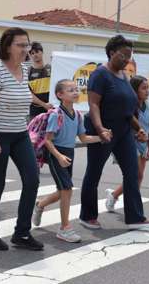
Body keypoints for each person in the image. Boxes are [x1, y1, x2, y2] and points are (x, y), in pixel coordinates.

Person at [79, 35, 149, 229]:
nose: (127, 60)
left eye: (129, 56)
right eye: (123, 55)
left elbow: (127, 110)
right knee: (93, 173)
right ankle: (87, 216)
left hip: (124, 133)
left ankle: (135, 217)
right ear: (112, 52)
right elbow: (94, 104)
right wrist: (100, 129)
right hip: (104, 132)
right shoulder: (100, 74)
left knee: (132, 173)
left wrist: (139, 129)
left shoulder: (125, 76)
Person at [0, 27, 43, 251]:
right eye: (20, 45)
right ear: (7, 46)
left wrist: (45, 106)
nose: (26, 49)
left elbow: (24, 96)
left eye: (27, 45)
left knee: (32, 179)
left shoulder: (24, 70)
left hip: (20, 134)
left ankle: (22, 233)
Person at [32, 80, 101, 242]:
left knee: (62, 190)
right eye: (71, 90)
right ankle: (64, 228)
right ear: (60, 95)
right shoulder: (56, 115)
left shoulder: (77, 115)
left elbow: (83, 138)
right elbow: (48, 141)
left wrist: (102, 138)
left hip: (69, 153)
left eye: (76, 89)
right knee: (67, 189)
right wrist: (59, 156)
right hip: (56, 154)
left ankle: (40, 205)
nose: (75, 92)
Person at [106, 75, 149, 212]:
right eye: (143, 88)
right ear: (135, 90)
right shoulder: (128, 107)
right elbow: (124, 127)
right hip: (129, 145)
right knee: (134, 175)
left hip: (143, 146)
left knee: (138, 176)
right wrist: (136, 135)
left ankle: (115, 195)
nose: (147, 91)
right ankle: (133, 207)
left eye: (148, 88)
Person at [27, 42, 53, 118]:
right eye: (32, 53)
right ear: (30, 55)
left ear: (42, 52)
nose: (35, 55)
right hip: (35, 111)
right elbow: (29, 94)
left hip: (51, 109)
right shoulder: (28, 72)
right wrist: (44, 105)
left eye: (37, 52)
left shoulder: (51, 69)